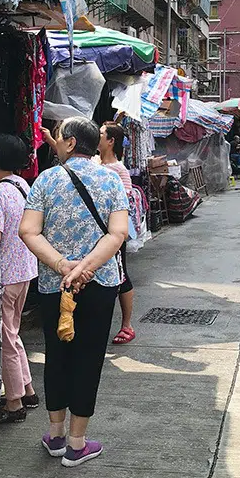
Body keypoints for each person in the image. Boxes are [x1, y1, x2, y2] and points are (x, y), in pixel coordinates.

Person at [19, 116, 129, 468]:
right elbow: (117, 234)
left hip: (56, 283)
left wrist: (64, 266)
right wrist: (87, 267)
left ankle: (55, 435)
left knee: (58, 354)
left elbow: (28, 231)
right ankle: (77, 443)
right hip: (100, 283)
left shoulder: (45, 180)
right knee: (89, 357)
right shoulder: (111, 180)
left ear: (67, 142)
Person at [0, 135, 39, 425]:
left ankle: (13, 403)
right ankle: (27, 390)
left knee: (5, 339)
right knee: (13, 334)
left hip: (5, 275)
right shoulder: (22, 185)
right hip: (25, 270)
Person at [98, 121, 136, 345]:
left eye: (101, 134)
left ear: (111, 141)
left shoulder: (119, 170)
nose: (98, 136)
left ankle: (127, 325)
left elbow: (126, 202)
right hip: (96, 233)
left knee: (121, 276)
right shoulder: (94, 163)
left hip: (113, 233)